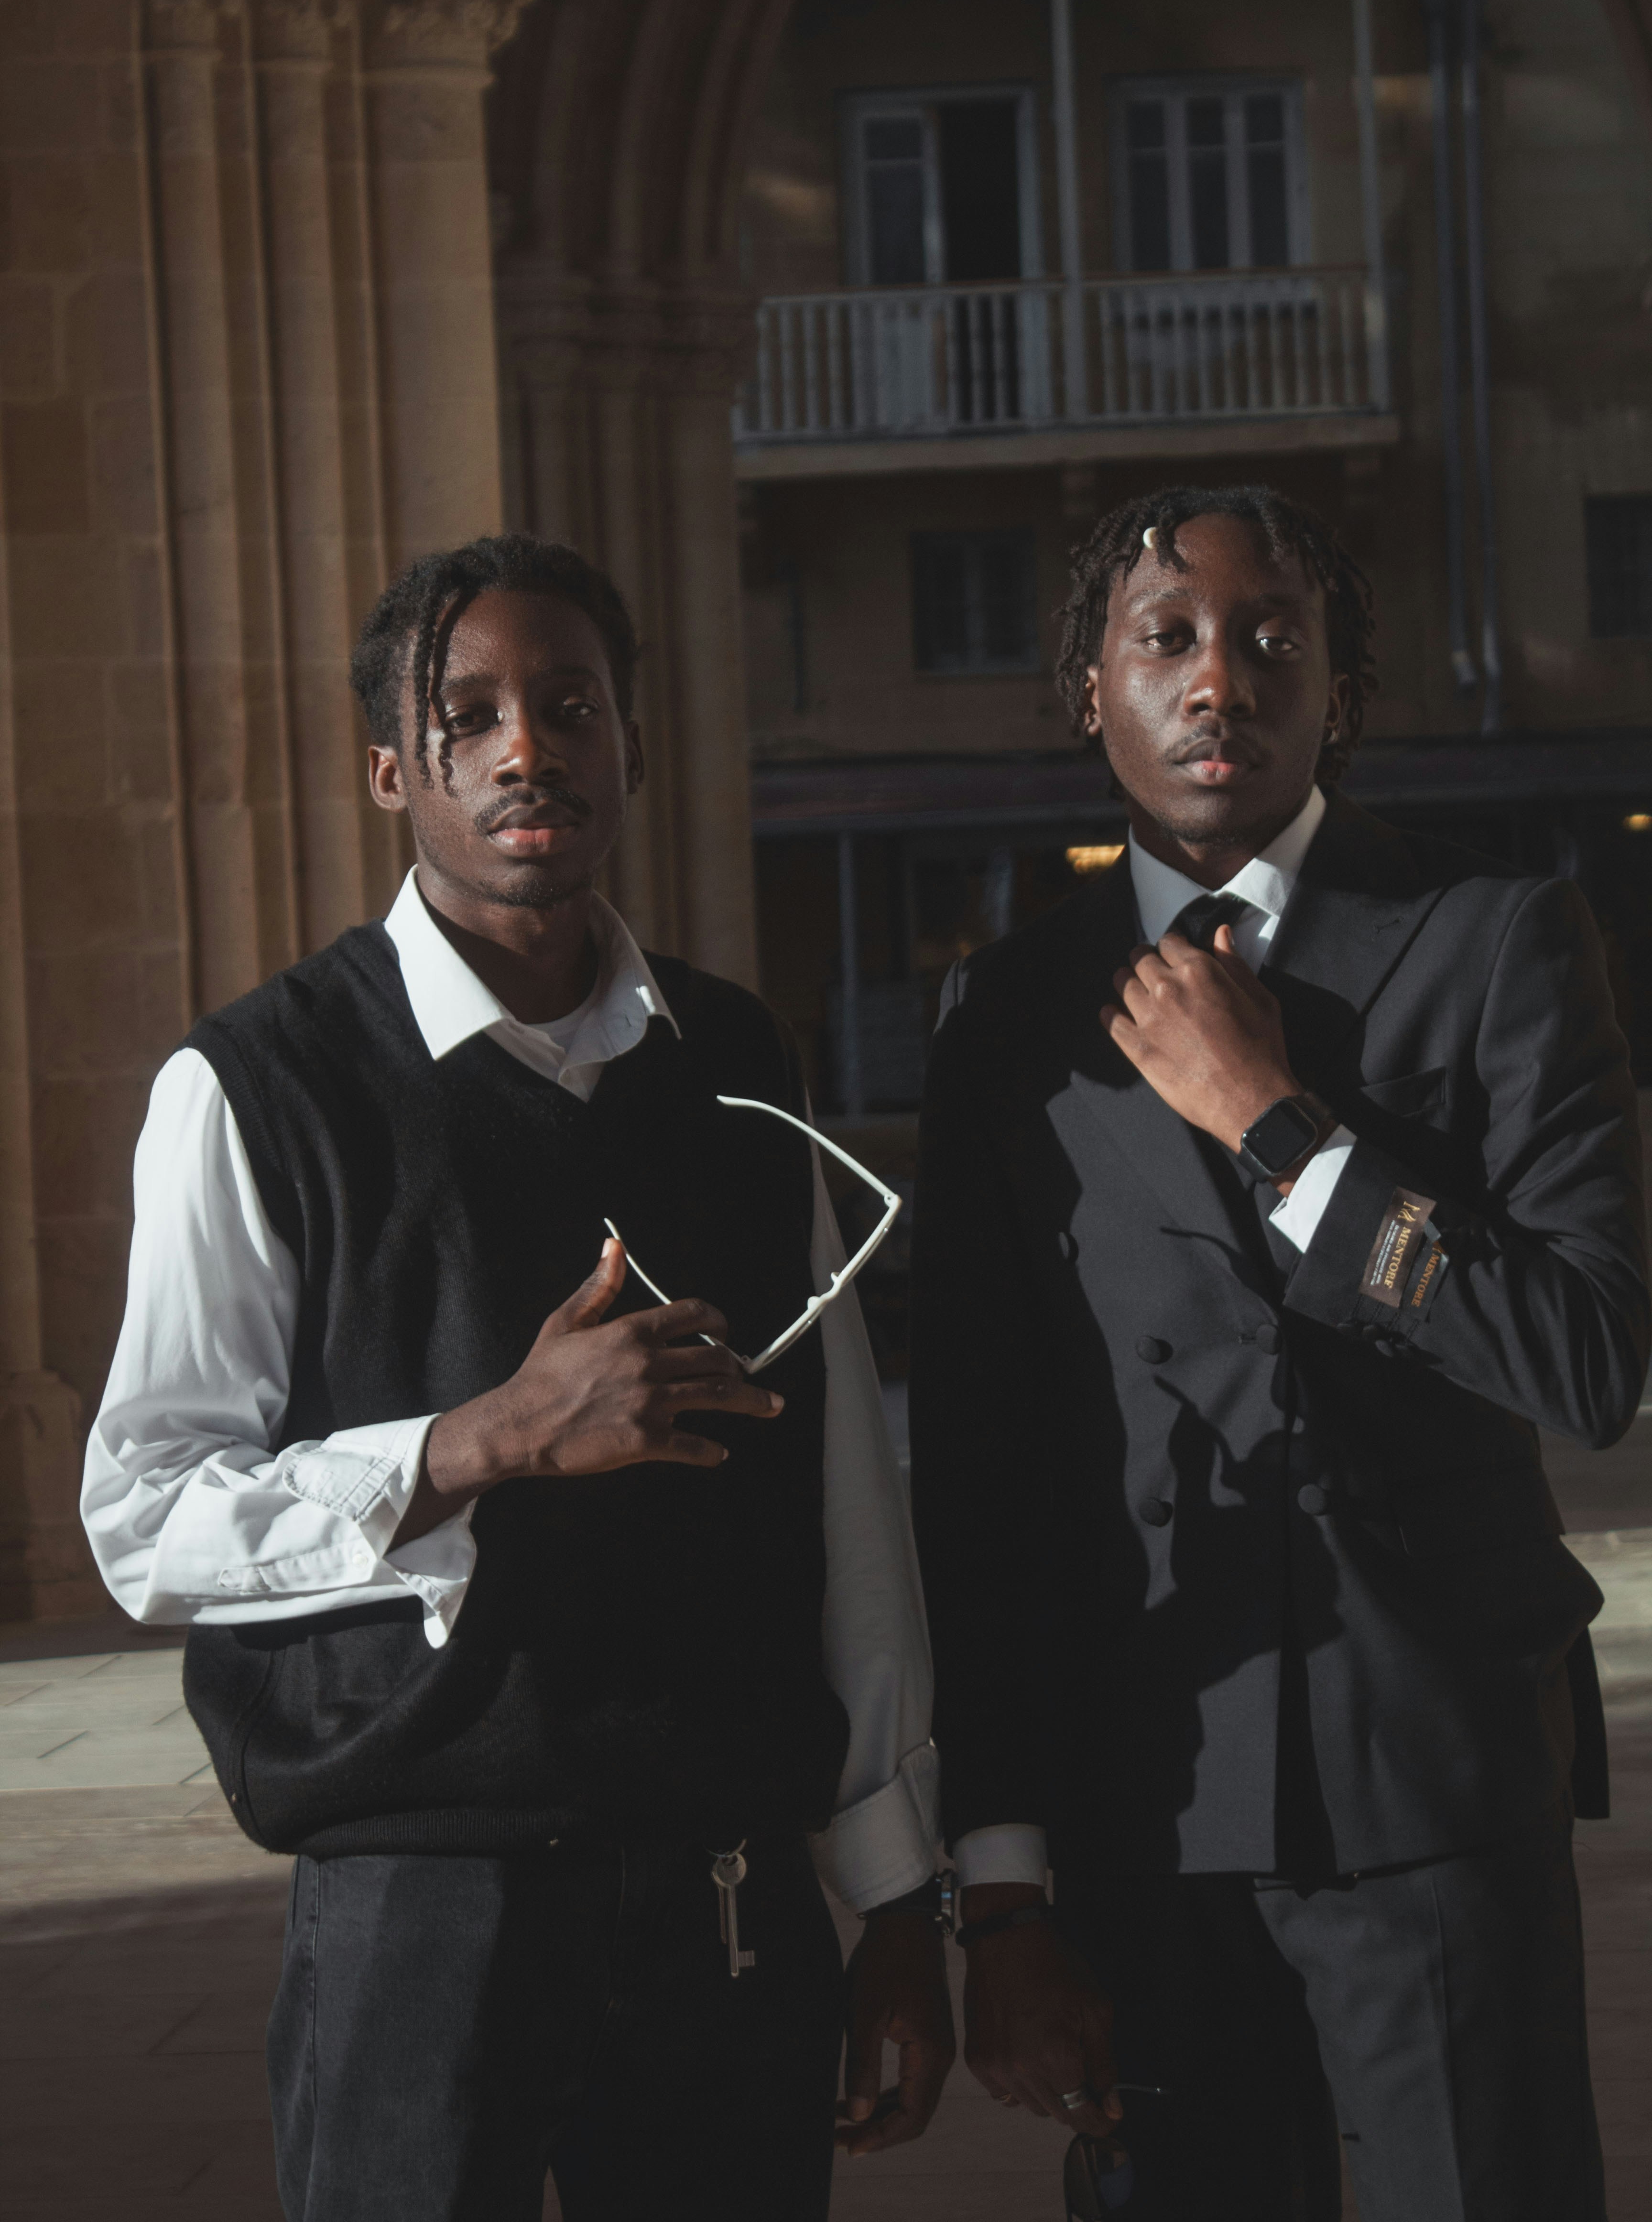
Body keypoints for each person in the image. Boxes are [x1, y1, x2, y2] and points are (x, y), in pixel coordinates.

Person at [83, 534, 954, 2222]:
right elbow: (143, 1518)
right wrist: (481, 1441)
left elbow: (839, 1508)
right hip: (425, 1901)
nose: (524, 749)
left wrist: (896, 1891)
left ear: (634, 745)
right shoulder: (256, 1085)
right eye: (467, 713)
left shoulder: (734, 1063)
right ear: (393, 768)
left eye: (569, 706)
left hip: (726, 1901)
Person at [908, 485, 1648, 2222]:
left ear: (1341, 686)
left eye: (1270, 639)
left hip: (1437, 1785)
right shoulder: (1007, 1019)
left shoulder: (1498, 946)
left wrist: (1280, 1129)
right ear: (1091, 690)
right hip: (1141, 1805)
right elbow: (984, 1478)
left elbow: (1587, 1357)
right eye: (1165, 640)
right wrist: (1001, 1887)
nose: (1218, 680)